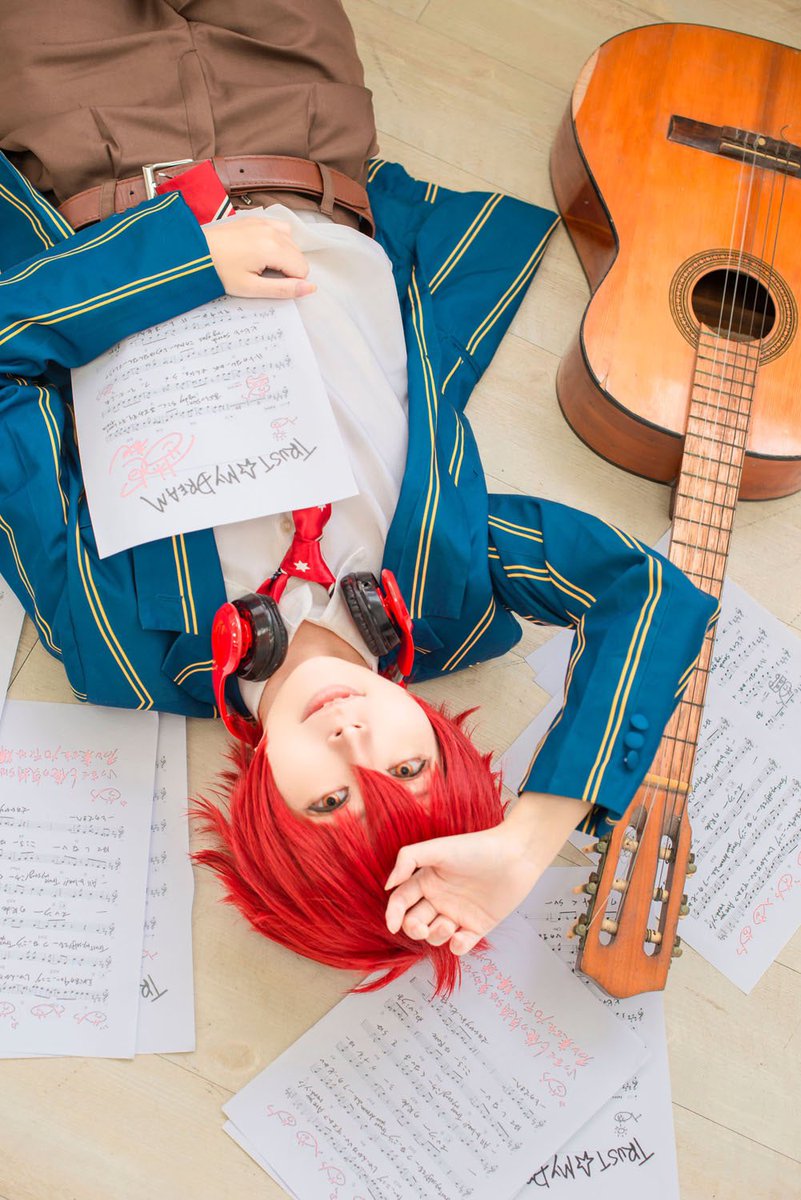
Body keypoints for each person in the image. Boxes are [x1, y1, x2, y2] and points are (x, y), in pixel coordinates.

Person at [0, 2, 716, 993]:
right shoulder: (452, 595)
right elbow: (649, 595)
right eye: (407, 769)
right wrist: (527, 843)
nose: (353, 743)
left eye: (331, 801)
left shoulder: (117, 649)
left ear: (264, 812)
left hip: (90, 145)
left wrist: (176, 269)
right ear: (442, 747)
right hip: (301, 113)